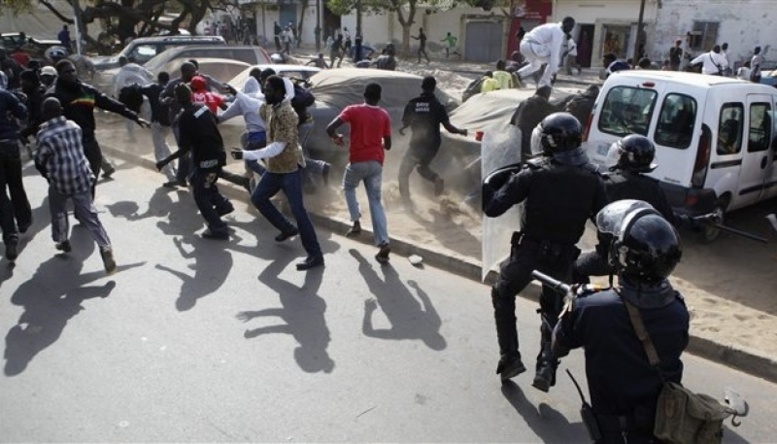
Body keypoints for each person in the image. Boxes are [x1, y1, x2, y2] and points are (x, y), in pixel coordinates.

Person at [481, 112, 608, 389]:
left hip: (529, 252)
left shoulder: (532, 173)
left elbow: (493, 208)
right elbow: (605, 223)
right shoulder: (594, 178)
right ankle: (547, 366)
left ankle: (510, 357)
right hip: (564, 257)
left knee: (502, 292)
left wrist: (490, 182)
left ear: (550, 142)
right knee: (553, 309)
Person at [553, 200, 689, 444]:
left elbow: (558, 345)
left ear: (622, 256)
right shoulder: (678, 310)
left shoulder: (590, 308)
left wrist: (572, 303)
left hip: (616, 433)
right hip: (664, 429)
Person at [231, 75, 324, 271]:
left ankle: (315, 255)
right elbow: (256, 105)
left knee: (299, 212)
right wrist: (236, 93)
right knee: (258, 198)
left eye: (268, 89)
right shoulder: (272, 107)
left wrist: (246, 154)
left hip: (288, 169)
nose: (265, 92)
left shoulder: (286, 114)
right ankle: (287, 228)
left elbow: (277, 147)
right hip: (275, 168)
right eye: (264, 89)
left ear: (280, 92)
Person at [572, 135, 676, 284]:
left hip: (607, 257)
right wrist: (697, 222)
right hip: (639, 261)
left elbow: (583, 210)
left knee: (575, 268)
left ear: (625, 158)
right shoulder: (654, 189)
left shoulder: (606, 184)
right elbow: (671, 220)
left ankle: (583, 297)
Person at [34, 97, 118, 273]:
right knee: (90, 215)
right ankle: (105, 246)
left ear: (45, 115)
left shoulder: (44, 135)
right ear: (61, 111)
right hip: (81, 176)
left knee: (58, 209)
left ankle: (62, 239)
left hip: (60, 180)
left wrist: (47, 173)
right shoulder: (74, 127)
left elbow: (40, 159)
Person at [46, 59, 149, 196]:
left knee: (91, 179)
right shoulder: (53, 95)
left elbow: (110, 104)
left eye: (73, 71)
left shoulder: (86, 91)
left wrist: (134, 116)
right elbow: (42, 120)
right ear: (59, 74)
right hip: (67, 145)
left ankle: (87, 203)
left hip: (88, 141)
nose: (71, 74)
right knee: (71, 184)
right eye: (67, 72)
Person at [156, 83, 233, 240]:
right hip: (218, 152)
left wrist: (165, 160)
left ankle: (218, 228)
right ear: (190, 95)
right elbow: (215, 121)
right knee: (197, 180)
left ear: (177, 99)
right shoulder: (202, 107)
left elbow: (184, 148)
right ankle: (223, 205)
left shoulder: (185, 118)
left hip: (206, 159)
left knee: (200, 195)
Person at [326, 83, 392, 262]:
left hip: (358, 162)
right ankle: (384, 242)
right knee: (376, 202)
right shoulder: (384, 115)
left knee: (348, 187)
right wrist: (378, 143)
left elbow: (330, 128)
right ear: (379, 98)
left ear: (364, 95)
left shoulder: (353, 110)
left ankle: (356, 222)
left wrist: (336, 138)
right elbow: (388, 145)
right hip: (377, 163)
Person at [397, 76, 468, 207]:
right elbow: (449, 127)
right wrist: (461, 131)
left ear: (422, 87)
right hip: (433, 145)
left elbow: (405, 122)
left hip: (417, 145)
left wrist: (403, 128)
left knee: (403, 173)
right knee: (422, 167)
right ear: (434, 88)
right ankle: (436, 178)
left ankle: (406, 203)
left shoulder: (412, 104)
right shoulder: (437, 105)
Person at [0, 82, 29, 261]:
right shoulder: (4, 94)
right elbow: (23, 112)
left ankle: (10, 238)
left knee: (0, 195)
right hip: (9, 145)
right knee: (16, 184)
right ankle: (24, 221)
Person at [136, 71, 178, 187]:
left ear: (158, 79)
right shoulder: (172, 89)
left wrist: (135, 84)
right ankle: (174, 168)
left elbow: (139, 89)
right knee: (163, 144)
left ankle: (171, 177)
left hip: (157, 123)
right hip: (169, 124)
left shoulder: (153, 88)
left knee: (159, 151)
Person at [516, 17, 576, 88]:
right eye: (571, 27)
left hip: (524, 45)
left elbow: (548, 46)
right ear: (565, 24)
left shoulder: (553, 26)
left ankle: (518, 75)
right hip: (532, 45)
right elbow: (555, 51)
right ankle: (544, 83)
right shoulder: (558, 32)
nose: (571, 29)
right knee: (553, 60)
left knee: (536, 65)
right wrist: (554, 67)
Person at [509, 86, 560, 161]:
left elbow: (512, 122)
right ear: (547, 95)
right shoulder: (543, 104)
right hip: (531, 148)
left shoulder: (523, 103)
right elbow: (558, 114)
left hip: (517, 144)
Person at [114, 56, 154, 143]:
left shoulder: (122, 72)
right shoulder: (139, 68)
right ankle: (152, 136)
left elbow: (120, 85)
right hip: (145, 94)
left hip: (132, 97)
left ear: (120, 64)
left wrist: (118, 96)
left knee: (130, 117)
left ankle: (132, 137)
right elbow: (151, 76)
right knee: (148, 116)